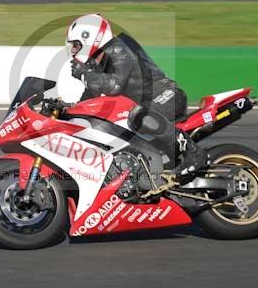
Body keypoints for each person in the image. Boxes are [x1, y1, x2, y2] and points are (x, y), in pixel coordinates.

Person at [66, 13, 210, 184]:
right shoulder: (96, 63)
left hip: (167, 95)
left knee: (139, 115)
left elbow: (114, 86)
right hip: (145, 105)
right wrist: (67, 110)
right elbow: (89, 100)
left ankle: (195, 153)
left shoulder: (119, 49)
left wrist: (84, 75)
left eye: (76, 45)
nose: (73, 50)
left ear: (91, 40)